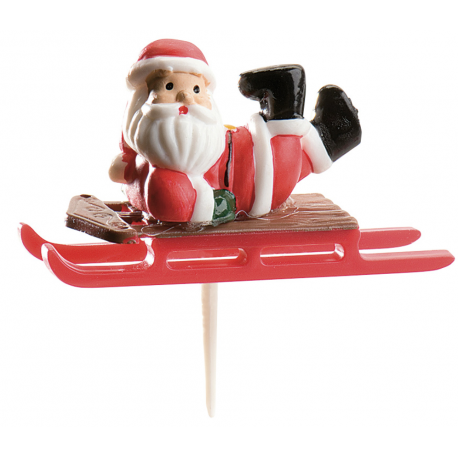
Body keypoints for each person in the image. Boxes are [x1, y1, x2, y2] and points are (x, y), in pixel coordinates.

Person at [109, 39, 361, 225]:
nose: (186, 97)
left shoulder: (183, 143)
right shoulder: (159, 164)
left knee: (281, 150)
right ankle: (324, 127)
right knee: (284, 156)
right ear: (143, 98)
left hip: (245, 158)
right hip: (246, 181)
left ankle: (314, 120)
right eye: (170, 87)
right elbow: (191, 206)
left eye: (196, 90)